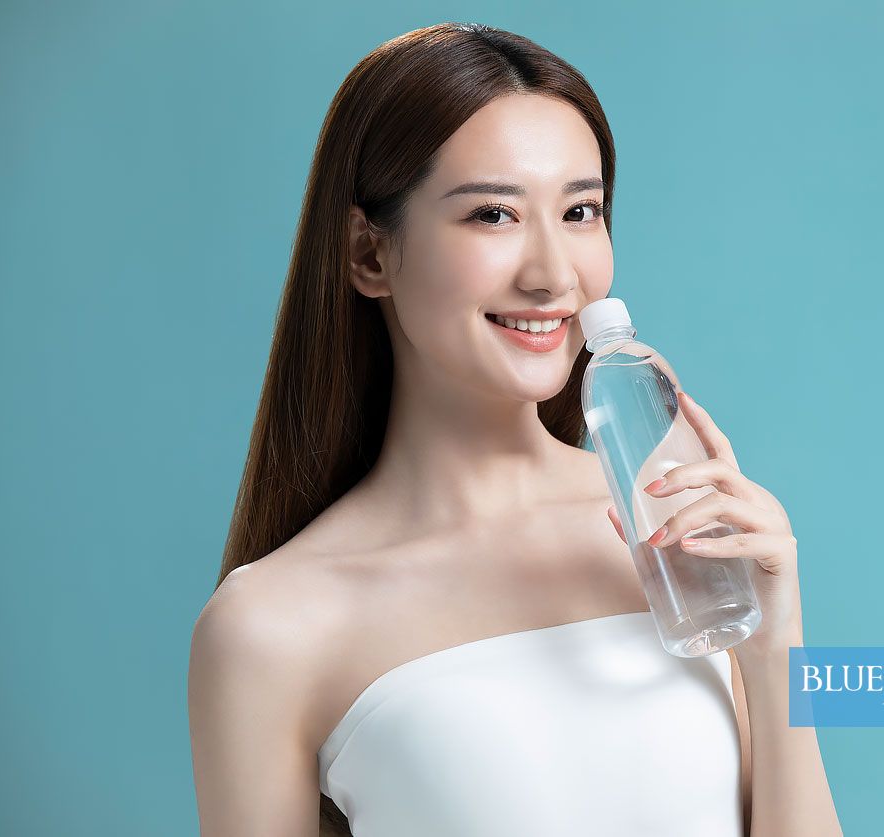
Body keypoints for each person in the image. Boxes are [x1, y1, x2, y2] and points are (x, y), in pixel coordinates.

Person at [187, 21, 841, 837]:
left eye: (580, 211)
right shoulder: (273, 625)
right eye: (493, 214)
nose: (552, 275)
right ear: (368, 254)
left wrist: (775, 640)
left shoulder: (675, 535)